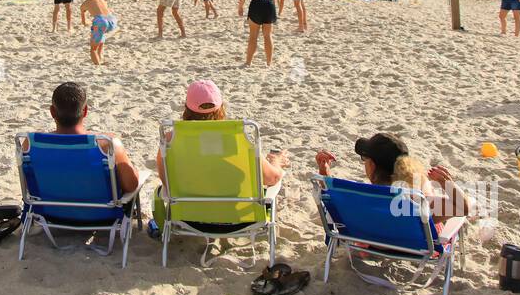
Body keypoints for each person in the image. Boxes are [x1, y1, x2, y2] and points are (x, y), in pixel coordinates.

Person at [156, 80, 288, 188]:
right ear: (221, 108)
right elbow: (272, 178)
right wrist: (276, 162)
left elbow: (167, 182)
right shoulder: (237, 138)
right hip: (238, 218)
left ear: (187, 107)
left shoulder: (170, 140)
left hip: (186, 218)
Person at [314, 133, 469, 225]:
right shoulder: (416, 203)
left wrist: (324, 172)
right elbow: (464, 208)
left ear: (372, 166)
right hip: (410, 246)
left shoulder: (357, 196)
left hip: (370, 243)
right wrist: (447, 184)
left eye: (364, 158)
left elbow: (331, 198)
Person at [25, 82, 138, 193]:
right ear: (85, 111)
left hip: (45, 211)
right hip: (100, 211)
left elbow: (28, 186)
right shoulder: (107, 144)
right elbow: (131, 185)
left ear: (52, 112)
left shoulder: (31, 143)